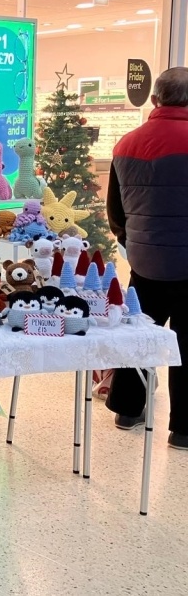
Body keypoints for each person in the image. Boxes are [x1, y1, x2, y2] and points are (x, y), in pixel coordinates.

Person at [105, 66, 188, 449]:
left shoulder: (125, 144)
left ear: (155, 100)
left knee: (139, 334)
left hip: (146, 261)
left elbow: (115, 211)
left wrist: (132, 241)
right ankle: (184, 430)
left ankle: (127, 408)